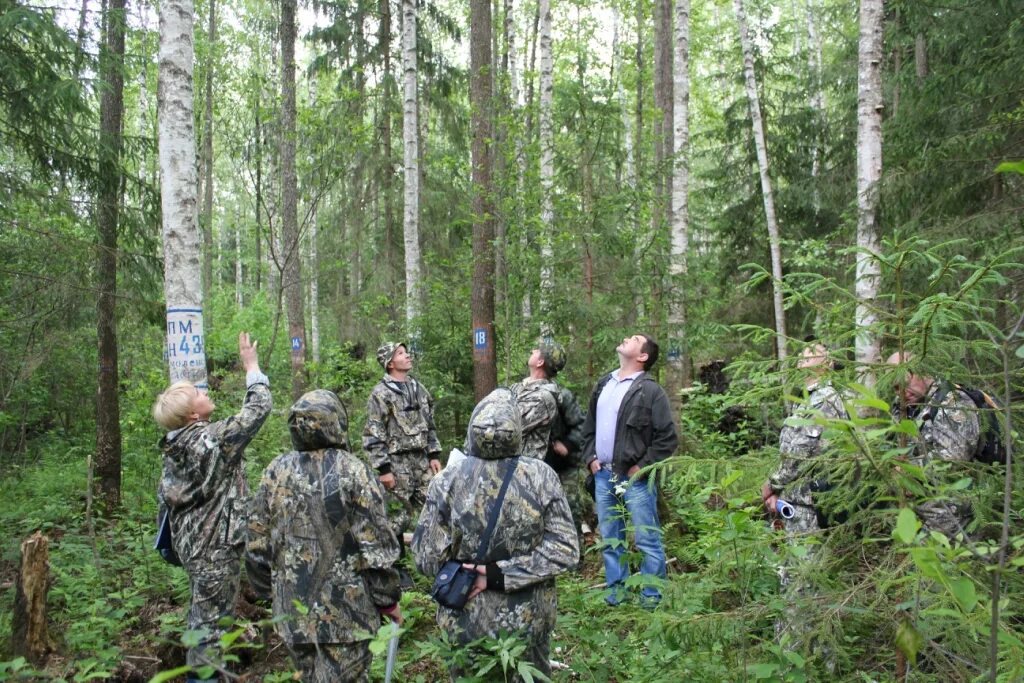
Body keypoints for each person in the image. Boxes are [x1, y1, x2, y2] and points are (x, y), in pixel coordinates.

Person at [412, 389, 579, 680]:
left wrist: (469, 568)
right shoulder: (541, 476)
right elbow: (565, 549)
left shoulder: (446, 480)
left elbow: (425, 559)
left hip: (465, 617)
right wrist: (498, 574)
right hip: (528, 621)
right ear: (516, 430)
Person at [246, 390, 402, 682]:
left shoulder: (275, 472)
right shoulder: (354, 470)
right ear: (336, 423)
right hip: (347, 613)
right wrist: (387, 599)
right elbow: (377, 544)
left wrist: (272, 594)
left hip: (292, 613)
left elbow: (256, 544)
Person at [152, 332, 271, 681]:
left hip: (192, 544)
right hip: (213, 547)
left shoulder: (174, 446)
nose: (206, 394)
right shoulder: (210, 440)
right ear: (192, 414)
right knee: (211, 626)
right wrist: (252, 368)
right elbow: (259, 408)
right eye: (199, 394)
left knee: (204, 616)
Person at [760, 342, 848, 650]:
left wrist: (773, 484)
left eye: (813, 353)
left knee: (802, 580)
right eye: (803, 354)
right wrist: (778, 496)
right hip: (796, 505)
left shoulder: (826, 399)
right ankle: (801, 650)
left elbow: (800, 453)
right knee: (797, 576)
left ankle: (800, 652)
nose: (804, 358)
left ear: (830, 362)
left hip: (812, 505)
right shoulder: (808, 399)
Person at [581, 333, 679, 607]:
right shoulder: (604, 384)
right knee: (612, 539)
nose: (625, 337)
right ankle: (617, 595)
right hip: (602, 476)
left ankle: (651, 599)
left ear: (643, 356)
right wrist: (590, 458)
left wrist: (641, 467)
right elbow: (588, 428)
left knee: (647, 539)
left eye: (635, 338)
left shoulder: (650, 391)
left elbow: (667, 439)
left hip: (635, 479)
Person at [363, 341, 442, 585]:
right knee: (395, 520)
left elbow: (429, 423)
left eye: (405, 352)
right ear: (389, 363)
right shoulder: (380, 394)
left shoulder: (419, 388)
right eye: (400, 353)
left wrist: (434, 454)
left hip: (421, 462)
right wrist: (383, 469)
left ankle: (441, 565)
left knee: (438, 507)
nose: (406, 356)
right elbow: (373, 433)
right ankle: (398, 574)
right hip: (396, 465)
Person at [886, 351, 981, 538]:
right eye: (896, 388)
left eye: (905, 385)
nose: (902, 393)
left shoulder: (953, 401)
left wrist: (907, 472)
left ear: (921, 372)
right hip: (915, 508)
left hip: (951, 511)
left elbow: (954, 458)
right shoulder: (905, 405)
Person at [509, 339, 561, 460]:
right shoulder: (518, 387)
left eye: (538, 351)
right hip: (506, 466)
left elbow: (509, 426)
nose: (533, 350)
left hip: (522, 470)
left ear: (540, 362)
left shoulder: (543, 398)